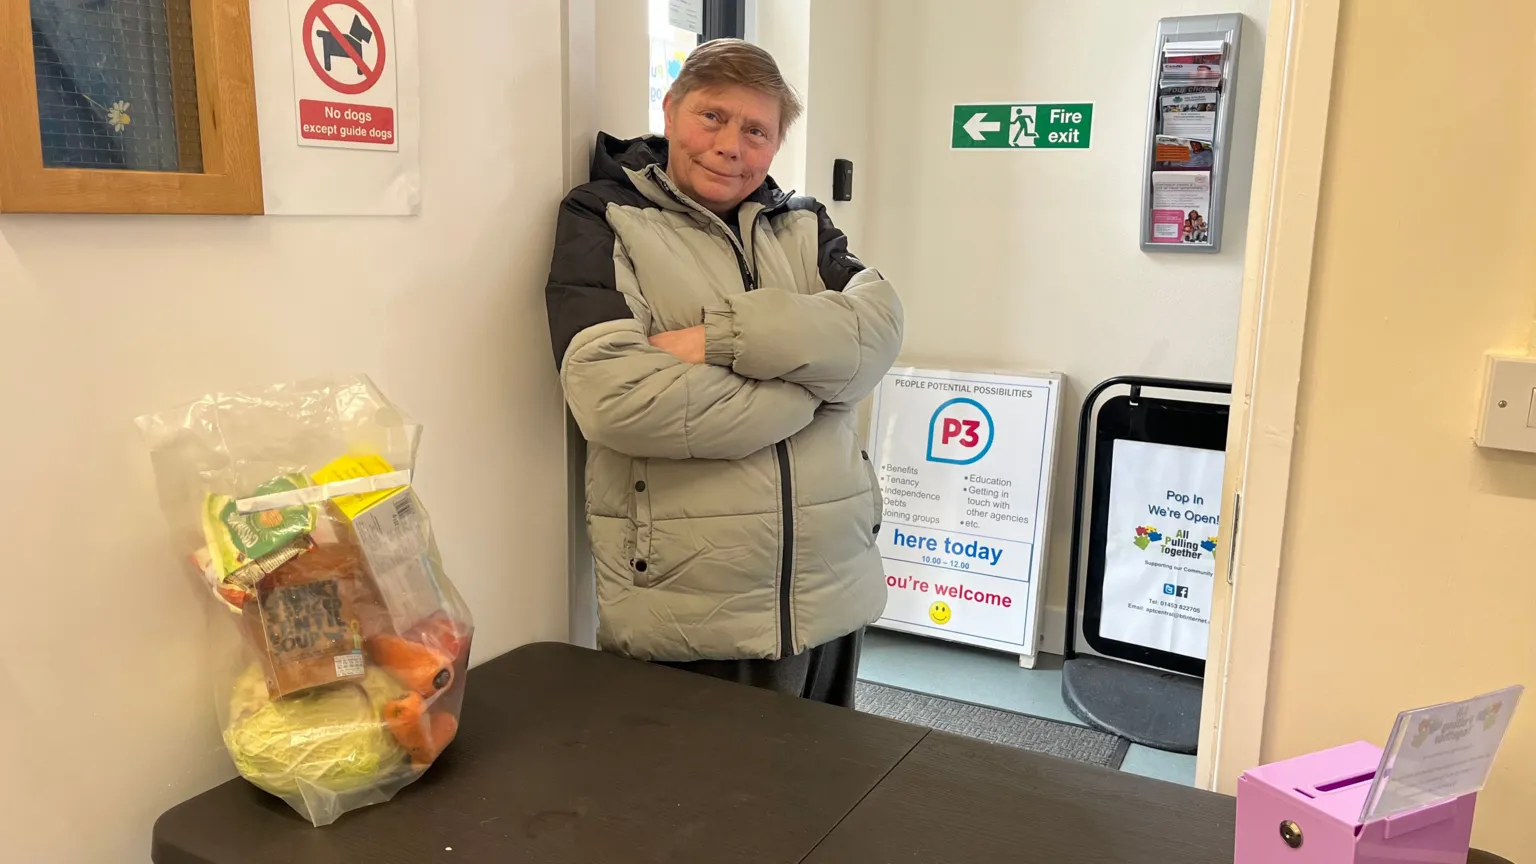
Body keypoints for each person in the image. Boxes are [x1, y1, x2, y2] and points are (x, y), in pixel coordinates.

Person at [542, 39, 903, 708]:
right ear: (672, 109)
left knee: (830, 800)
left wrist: (721, 339)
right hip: (694, 601)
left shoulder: (803, 224)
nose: (731, 144)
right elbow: (613, 399)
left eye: (756, 129)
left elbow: (880, 332)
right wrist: (809, 388)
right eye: (712, 116)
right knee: (703, 808)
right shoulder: (603, 218)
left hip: (832, 581)